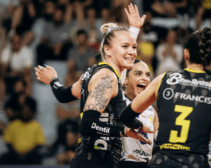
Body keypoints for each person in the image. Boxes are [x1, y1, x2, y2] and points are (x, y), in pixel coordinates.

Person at [35, 4, 153, 168]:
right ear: (108, 50)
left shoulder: (94, 73)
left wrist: (53, 80)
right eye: (125, 47)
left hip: (97, 160)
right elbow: (88, 124)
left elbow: (63, 95)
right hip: (95, 161)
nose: (132, 52)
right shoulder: (107, 78)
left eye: (134, 47)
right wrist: (125, 131)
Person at [119, 27, 211, 168]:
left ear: (186, 54)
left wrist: (140, 126)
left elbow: (125, 116)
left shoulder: (164, 79)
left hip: (160, 163)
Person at [119, 59, 159, 168]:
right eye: (138, 73)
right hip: (123, 163)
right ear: (125, 79)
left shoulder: (151, 110)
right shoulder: (116, 102)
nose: (145, 78)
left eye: (147, 75)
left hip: (147, 164)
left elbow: (160, 142)